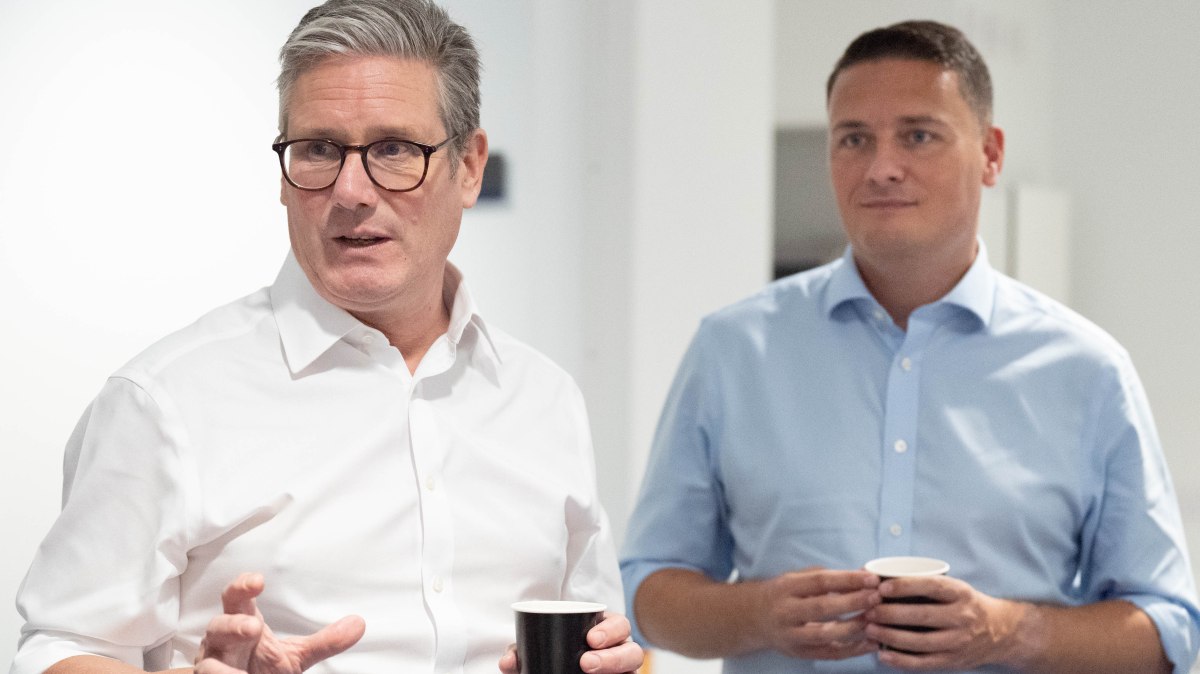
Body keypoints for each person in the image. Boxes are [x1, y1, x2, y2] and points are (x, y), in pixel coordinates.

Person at [10, 2, 642, 673]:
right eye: (318, 149)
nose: (351, 190)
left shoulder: (543, 398)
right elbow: (64, 647)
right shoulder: (164, 402)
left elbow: (603, 635)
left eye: (395, 149)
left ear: (469, 167)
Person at [619, 19, 1200, 674]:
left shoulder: (1088, 371)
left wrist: (1010, 631)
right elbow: (648, 591)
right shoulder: (733, 350)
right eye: (853, 139)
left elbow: (1166, 630)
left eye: (918, 135)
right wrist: (757, 615)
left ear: (991, 155)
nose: (881, 167)